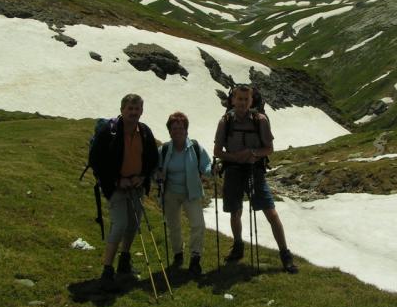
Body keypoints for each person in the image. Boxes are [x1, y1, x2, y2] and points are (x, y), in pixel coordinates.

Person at [213, 84, 298, 274]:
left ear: (251, 101)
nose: (242, 103)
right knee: (235, 211)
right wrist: (237, 157)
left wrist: (251, 154)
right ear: (232, 100)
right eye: (239, 99)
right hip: (234, 170)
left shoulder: (260, 120)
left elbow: (269, 148)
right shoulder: (225, 121)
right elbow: (217, 151)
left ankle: (285, 254)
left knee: (270, 212)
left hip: (254, 170)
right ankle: (238, 246)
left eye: (246, 99)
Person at [89, 93, 159, 290]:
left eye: (137, 109)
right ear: (122, 110)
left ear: (142, 111)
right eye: (130, 109)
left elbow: (152, 159)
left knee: (133, 224)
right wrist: (115, 180)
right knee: (120, 224)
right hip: (116, 187)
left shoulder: (144, 132)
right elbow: (96, 160)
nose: (134, 113)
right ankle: (107, 269)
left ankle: (124, 261)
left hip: (136, 186)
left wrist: (143, 177)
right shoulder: (108, 131)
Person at [157, 112, 212, 276]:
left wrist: (211, 170)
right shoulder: (164, 149)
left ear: (186, 130)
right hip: (170, 193)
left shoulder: (195, 147)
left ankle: (195, 257)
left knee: (198, 225)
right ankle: (178, 253)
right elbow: (155, 169)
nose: (178, 131)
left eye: (181, 128)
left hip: (191, 192)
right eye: (174, 128)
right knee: (173, 225)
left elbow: (206, 165)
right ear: (169, 131)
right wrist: (157, 176)